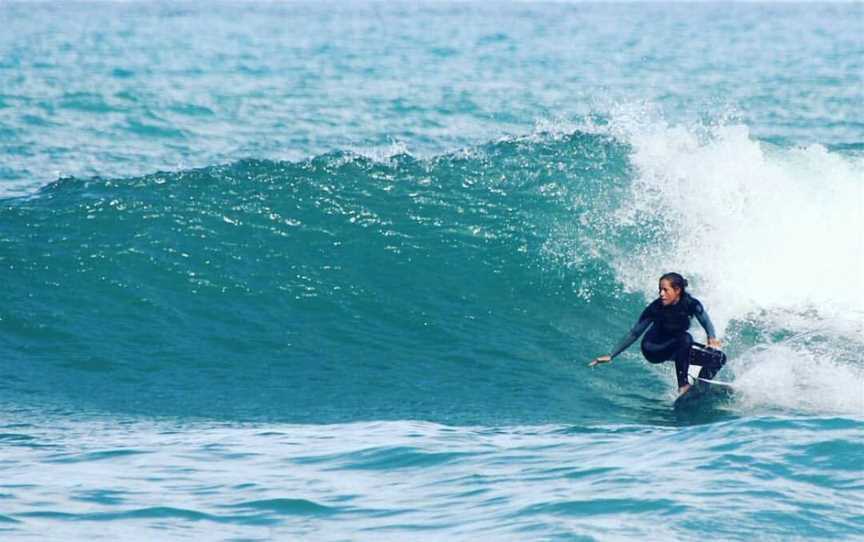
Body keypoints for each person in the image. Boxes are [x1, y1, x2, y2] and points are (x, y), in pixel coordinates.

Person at [588, 273, 721, 396]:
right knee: (686, 338)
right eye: (660, 290)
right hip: (653, 348)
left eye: (665, 290)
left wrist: (711, 337)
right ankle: (683, 386)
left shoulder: (691, 304)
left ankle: (702, 386)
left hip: (677, 346)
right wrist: (612, 355)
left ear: (677, 290)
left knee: (718, 358)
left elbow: (705, 320)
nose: (661, 294)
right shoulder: (656, 307)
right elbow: (634, 333)